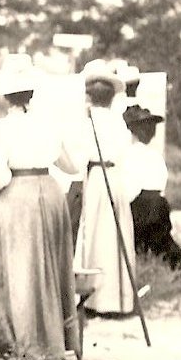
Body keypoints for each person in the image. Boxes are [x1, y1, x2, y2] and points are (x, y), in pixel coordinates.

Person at [0, 55, 80, 360]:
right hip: (50, 193)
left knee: (20, 270)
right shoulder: (48, 126)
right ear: (32, 94)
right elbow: (70, 165)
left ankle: (30, 343)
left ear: (6, 96)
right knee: (52, 266)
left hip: (18, 196)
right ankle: (57, 340)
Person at [72, 58, 139, 318]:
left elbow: (79, 155)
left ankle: (94, 300)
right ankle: (117, 300)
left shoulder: (86, 122)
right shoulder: (118, 122)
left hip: (97, 179)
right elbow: (124, 153)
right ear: (111, 98)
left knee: (95, 235)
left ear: (90, 96)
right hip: (115, 179)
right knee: (114, 234)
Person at [124, 103, 181, 293]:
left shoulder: (128, 156)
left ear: (132, 131)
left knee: (132, 246)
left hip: (140, 204)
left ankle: (133, 286)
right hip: (159, 203)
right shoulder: (155, 156)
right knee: (165, 245)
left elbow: (130, 188)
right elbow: (162, 181)